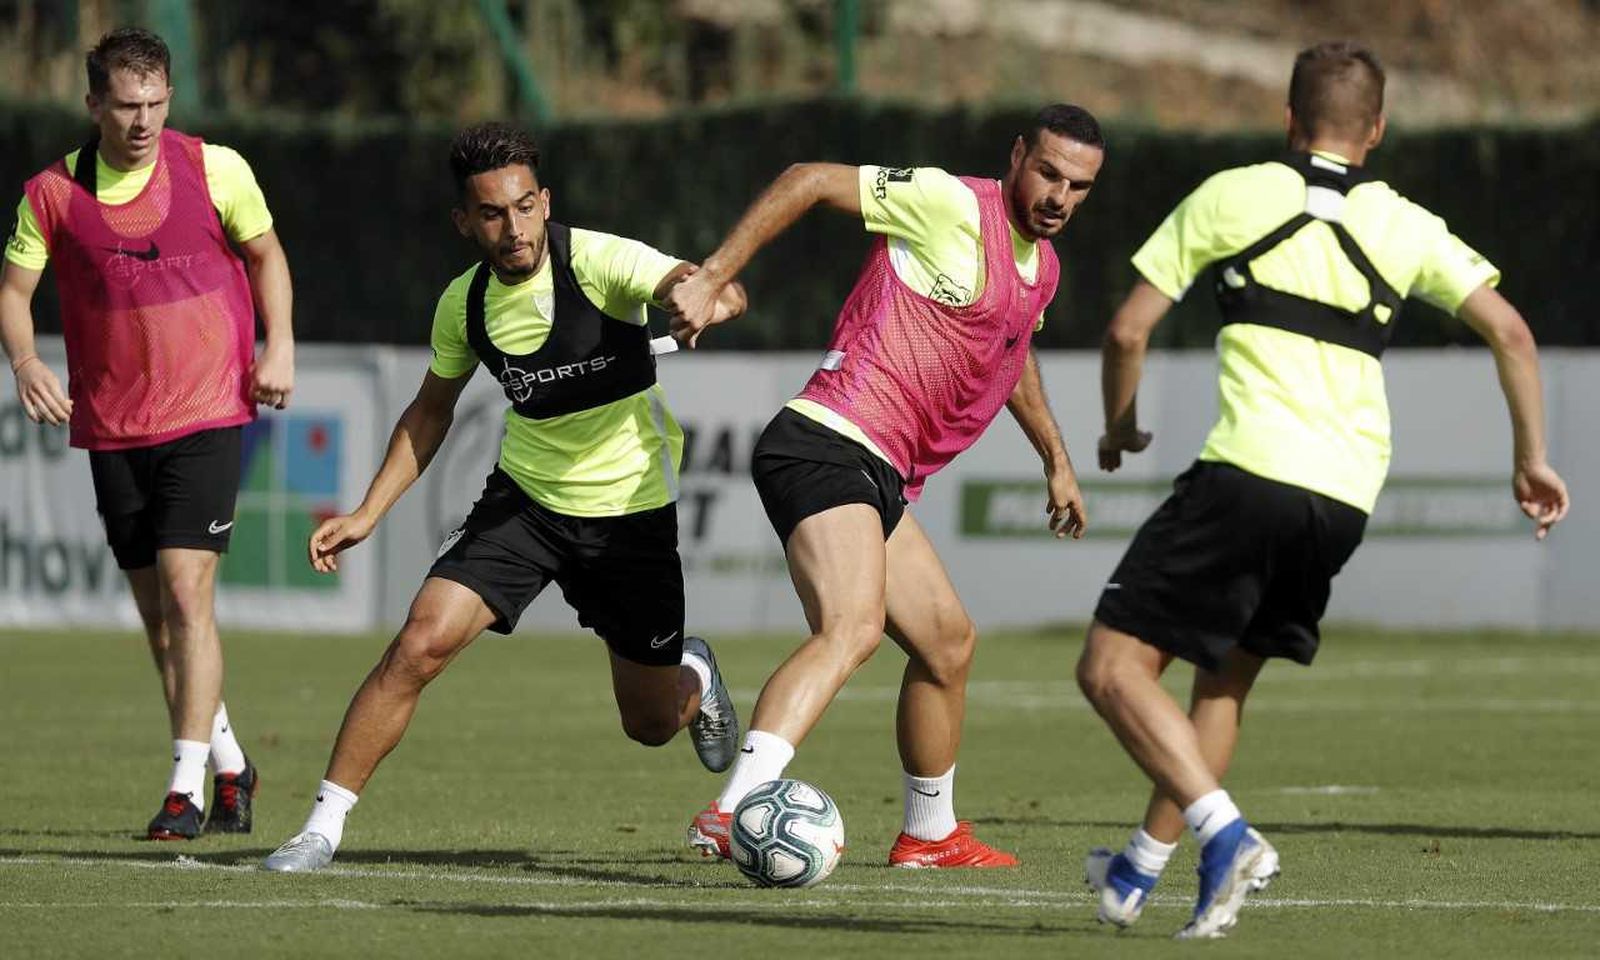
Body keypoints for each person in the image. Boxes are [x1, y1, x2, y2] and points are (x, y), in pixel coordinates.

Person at [1078, 41, 1571, 939]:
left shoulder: (1232, 194)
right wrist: (1530, 456)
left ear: (1288, 118)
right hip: (1343, 496)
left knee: (1112, 666)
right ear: (1376, 131)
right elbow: (1512, 332)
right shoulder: (1405, 223)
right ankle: (1135, 876)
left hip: (1248, 472)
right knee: (1222, 688)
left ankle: (1227, 838)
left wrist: (1118, 425)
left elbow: (1125, 330)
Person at [261, 122, 748, 872]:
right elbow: (429, 412)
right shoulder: (464, 305)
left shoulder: (599, 261)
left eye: (525, 207)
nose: (513, 227)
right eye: (492, 213)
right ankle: (321, 828)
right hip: (523, 505)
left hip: (629, 518)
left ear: (545, 202)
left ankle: (695, 675)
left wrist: (705, 297)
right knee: (418, 644)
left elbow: (703, 284)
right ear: (465, 222)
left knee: (650, 724)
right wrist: (365, 513)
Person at [666, 105, 1099, 867]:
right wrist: (710, 277)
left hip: (876, 470)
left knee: (948, 645)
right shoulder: (950, 203)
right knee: (852, 629)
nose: (1060, 195)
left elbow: (1013, 348)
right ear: (1017, 153)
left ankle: (930, 834)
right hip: (826, 440)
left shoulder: (1045, 269)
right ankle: (728, 812)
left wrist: (1055, 458)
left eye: (1080, 185)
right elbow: (807, 181)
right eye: (1049, 172)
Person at [1, 27, 294, 840]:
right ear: (94, 103)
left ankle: (184, 788)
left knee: (186, 593)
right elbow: (14, 293)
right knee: (159, 618)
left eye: (156, 103)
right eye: (126, 105)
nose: (142, 121)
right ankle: (232, 763)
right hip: (112, 426)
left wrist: (281, 342)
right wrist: (26, 362)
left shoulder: (215, 168)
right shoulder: (50, 195)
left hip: (207, 410)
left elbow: (267, 256)